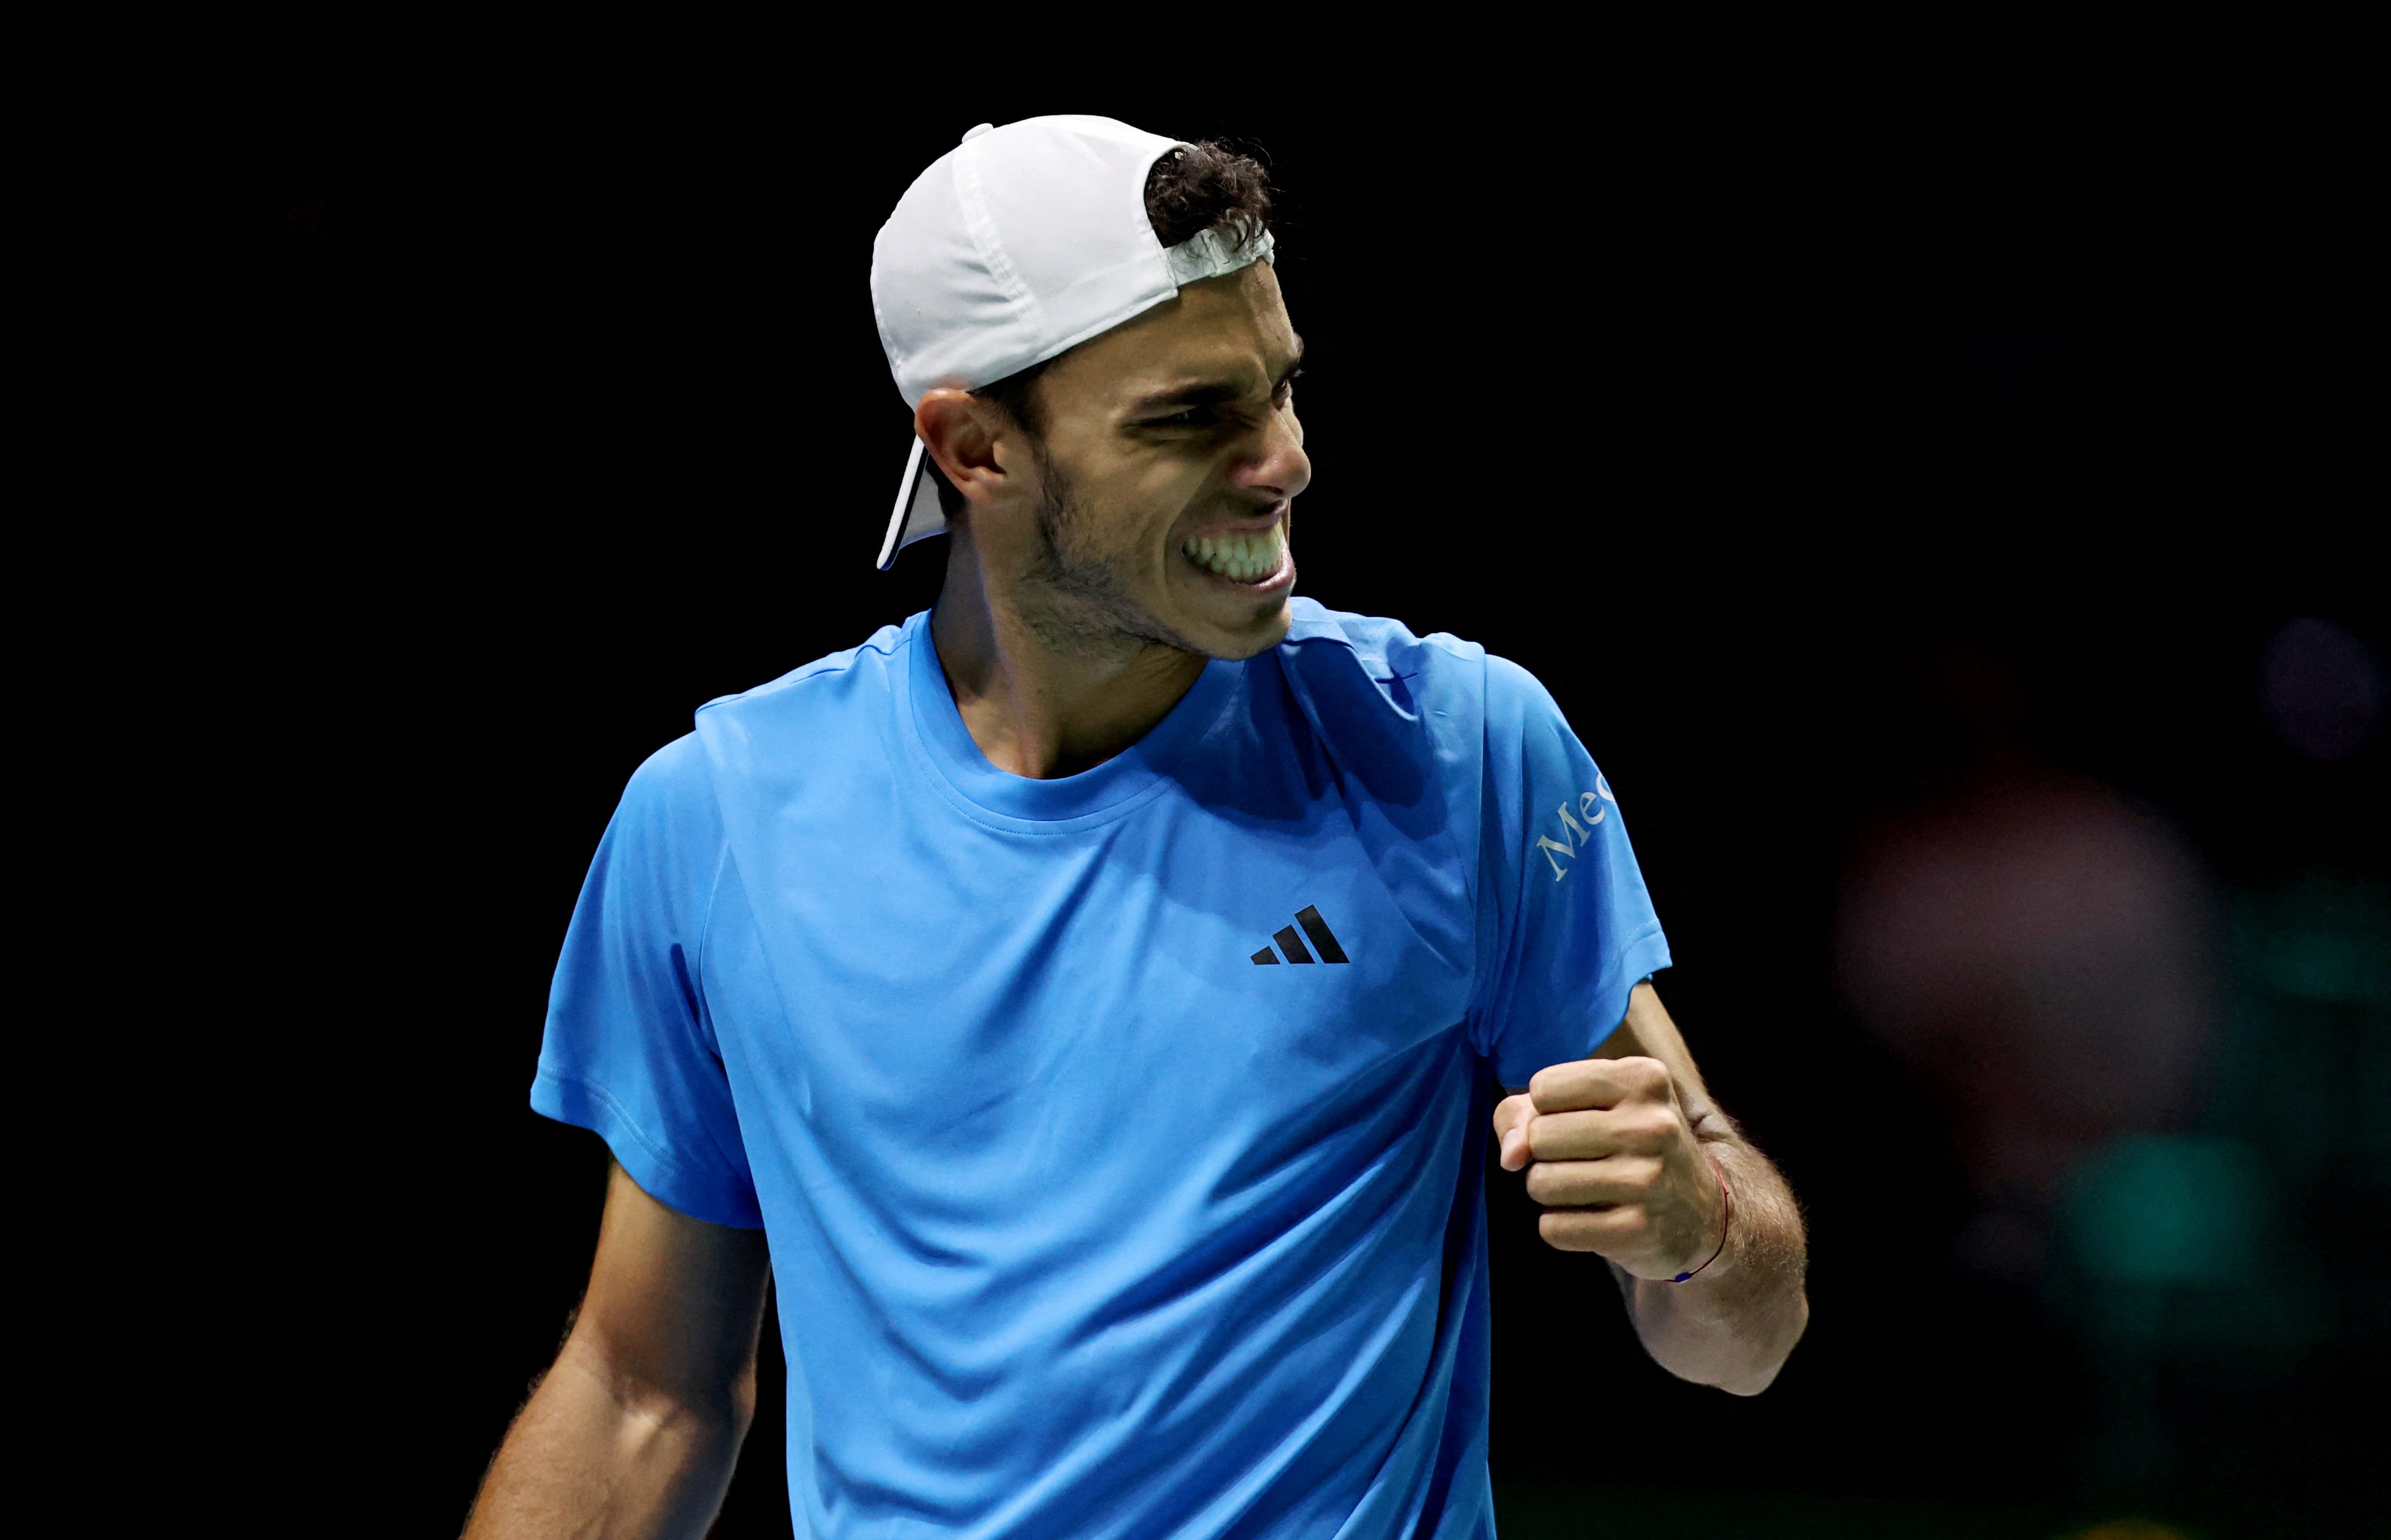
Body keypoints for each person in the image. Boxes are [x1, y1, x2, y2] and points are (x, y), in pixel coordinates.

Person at [465, 115, 1809, 1539]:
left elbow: (1743, 1333)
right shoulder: (717, 816)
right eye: (1191, 415)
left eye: (1281, 388)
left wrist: (1698, 1229)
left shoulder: (1457, 747)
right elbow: (641, 1394)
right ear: (972, 446)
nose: (1281, 459)